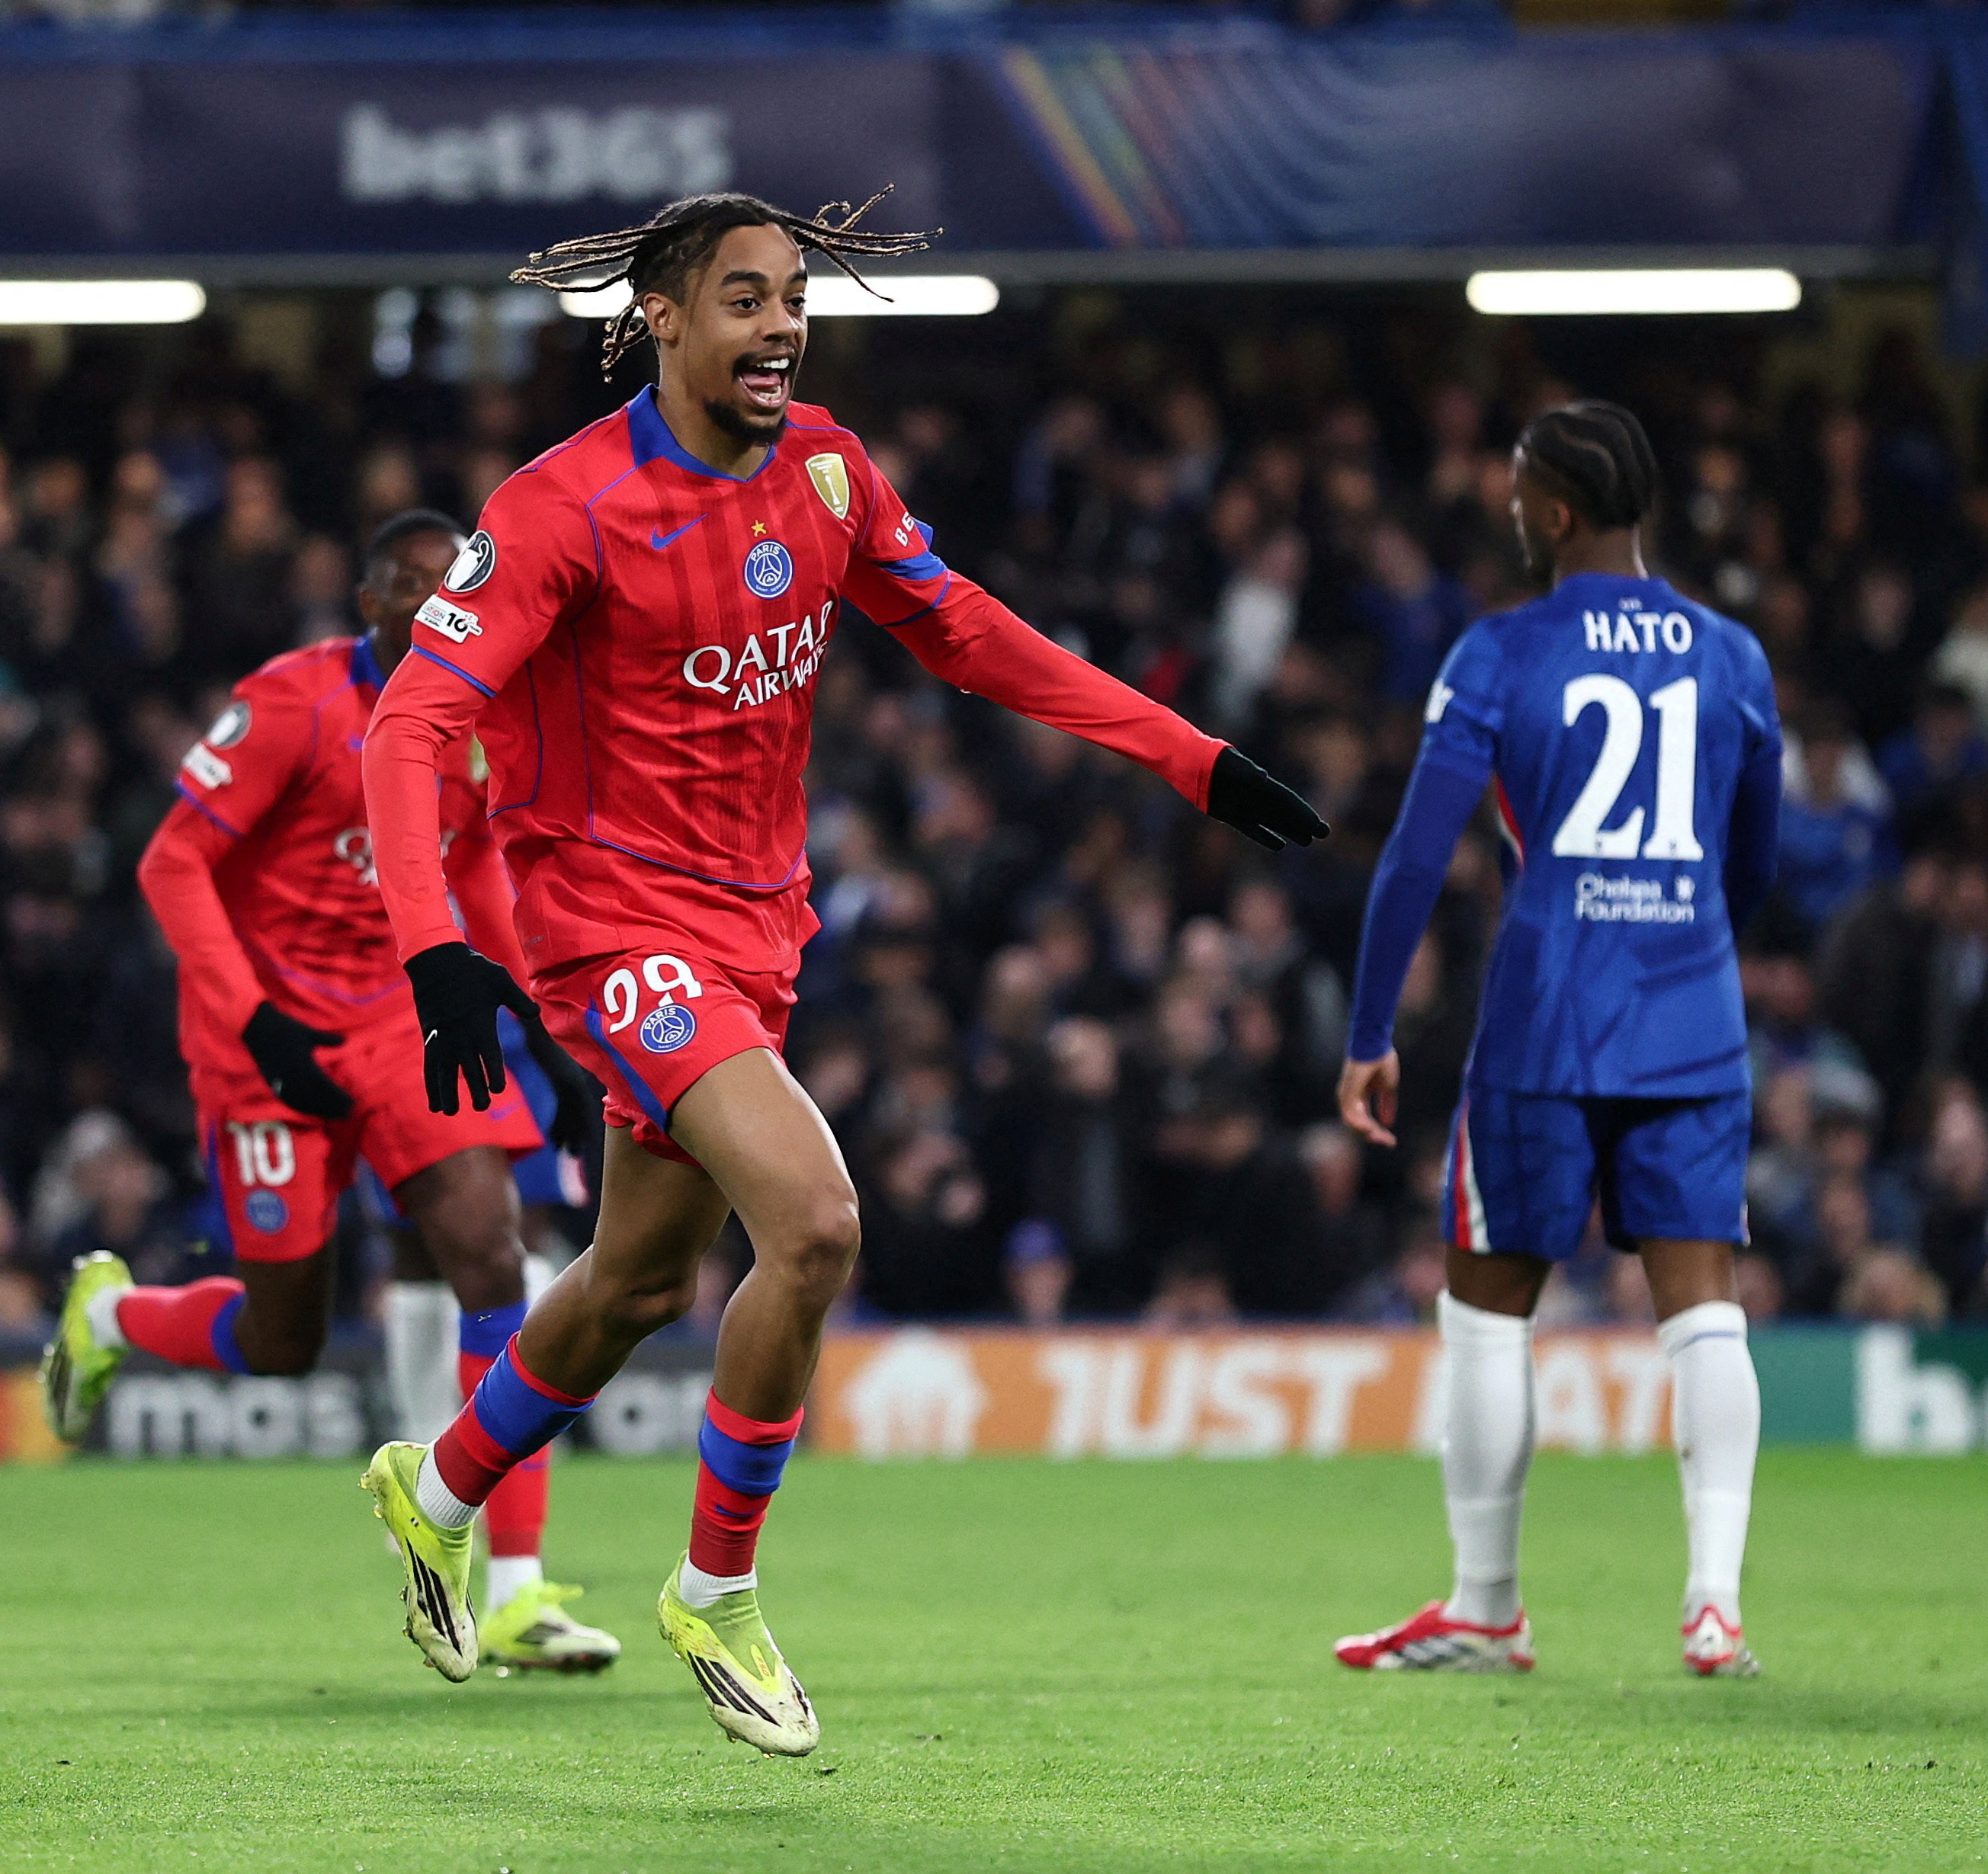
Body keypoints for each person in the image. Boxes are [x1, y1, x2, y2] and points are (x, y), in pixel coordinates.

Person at [354, 191, 1326, 1754]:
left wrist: (1191, 758)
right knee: (811, 1223)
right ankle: (716, 1589)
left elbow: (972, 634)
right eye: (745, 299)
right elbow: (409, 726)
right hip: (609, 924)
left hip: (759, 927)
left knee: (640, 1281)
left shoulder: (827, 468)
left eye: (796, 298)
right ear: (663, 316)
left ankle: (439, 1480)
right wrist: (437, 949)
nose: (783, 327)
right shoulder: (559, 507)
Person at [39, 511, 619, 1674]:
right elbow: (171, 862)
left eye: (452, 581)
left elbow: (473, 871)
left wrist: (539, 1023)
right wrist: (255, 1018)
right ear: (366, 602)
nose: (432, 600)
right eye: (408, 583)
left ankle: (513, 1587)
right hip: (264, 1038)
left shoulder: (477, 714)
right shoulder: (293, 703)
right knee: (284, 1337)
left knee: (494, 1251)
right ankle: (110, 1315)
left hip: (399, 1018)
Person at [1332, 402, 1781, 1680]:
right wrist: (1693, 948)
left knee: (1487, 1310)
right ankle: (1713, 1604)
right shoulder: (1731, 655)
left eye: (1520, 488)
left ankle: (1485, 1602)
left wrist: (1371, 1025)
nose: (1510, 505)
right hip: (1690, 1015)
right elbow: (1752, 857)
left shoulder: (1500, 649)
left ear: (1558, 509)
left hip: (1543, 1013)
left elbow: (1419, 851)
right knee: (1704, 1311)